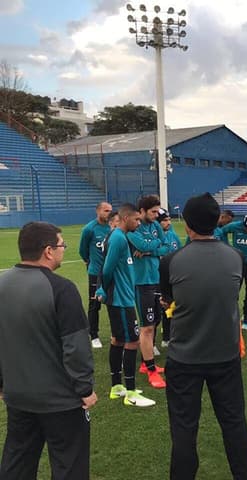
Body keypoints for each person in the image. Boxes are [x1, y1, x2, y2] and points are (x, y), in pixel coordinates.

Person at [159, 193, 247, 480]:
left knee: (184, 430)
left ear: (187, 225)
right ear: (217, 222)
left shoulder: (171, 261)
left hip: (185, 358)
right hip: (225, 356)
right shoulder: (235, 257)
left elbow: (169, 300)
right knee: (234, 424)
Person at [0, 221, 97, 479]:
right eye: (61, 245)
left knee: (17, 463)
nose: (64, 250)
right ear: (48, 251)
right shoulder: (61, 289)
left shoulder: (2, 283)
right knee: (69, 468)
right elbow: (76, 347)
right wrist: (85, 388)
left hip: (18, 396)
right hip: (61, 402)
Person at [96, 203, 157, 408]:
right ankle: (130, 393)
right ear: (124, 218)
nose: (138, 223)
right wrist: (104, 290)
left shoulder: (121, 237)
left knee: (118, 340)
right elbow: (106, 269)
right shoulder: (118, 238)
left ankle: (116, 387)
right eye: (136, 219)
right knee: (132, 341)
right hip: (121, 300)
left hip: (123, 297)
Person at [127, 195, 169, 389]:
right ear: (142, 211)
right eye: (152, 212)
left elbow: (166, 246)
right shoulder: (134, 228)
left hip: (156, 280)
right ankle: (151, 371)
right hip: (141, 283)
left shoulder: (155, 226)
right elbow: (143, 245)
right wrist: (151, 247)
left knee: (154, 322)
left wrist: (149, 251)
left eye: (157, 211)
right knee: (147, 327)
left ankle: (146, 364)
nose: (156, 215)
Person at [79, 201, 112, 348]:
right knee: (95, 304)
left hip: (111, 272)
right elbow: (83, 250)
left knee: (114, 302)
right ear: (97, 211)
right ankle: (93, 335)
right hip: (95, 272)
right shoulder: (89, 229)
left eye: (110, 210)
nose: (109, 213)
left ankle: (116, 333)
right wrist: (90, 262)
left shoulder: (113, 228)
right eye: (106, 210)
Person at [158, 208, 182, 348]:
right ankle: (163, 337)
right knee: (159, 308)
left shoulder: (173, 236)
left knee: (172, 306)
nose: (169, 222)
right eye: (165, 220)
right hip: (158, 278)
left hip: (174, 276)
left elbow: (180, 252)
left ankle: (169, 336)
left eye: (168, 220)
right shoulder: (154, 238)